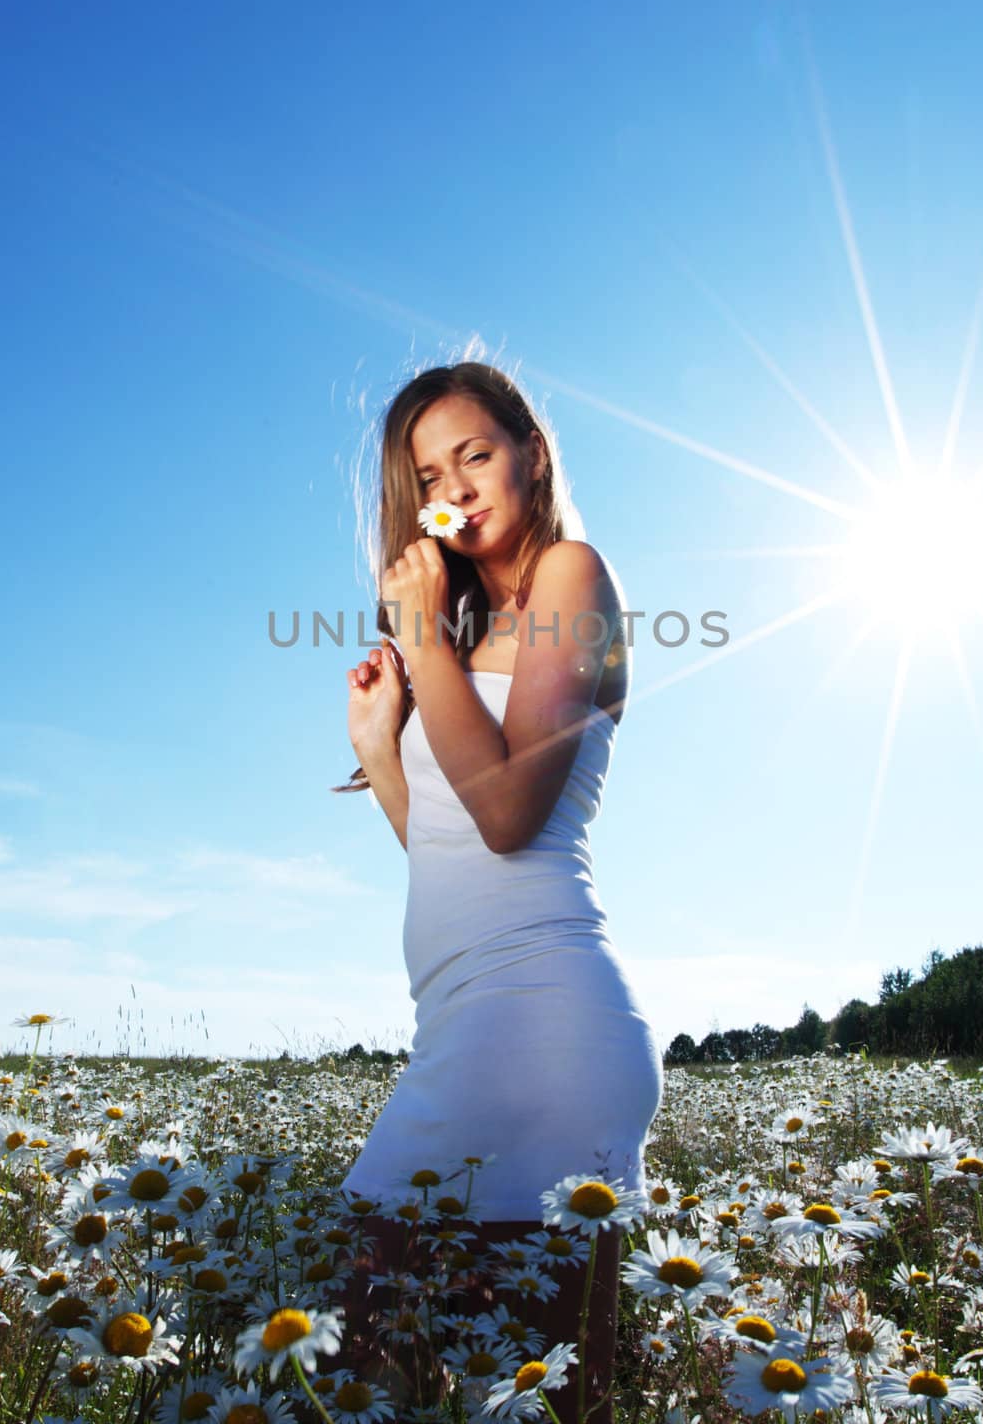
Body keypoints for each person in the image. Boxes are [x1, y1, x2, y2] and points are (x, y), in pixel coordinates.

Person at [324, 358, 664, 1423]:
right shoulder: (461, 638)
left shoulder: (573, 576)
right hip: (461, 1020)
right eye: (431, 470)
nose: (457, 485)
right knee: (402, 1380)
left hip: (547, 1025)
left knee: (531, 1393)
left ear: (530, 453)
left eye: (476, 452)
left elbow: (512, 815)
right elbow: (448, 848)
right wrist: (382, 747)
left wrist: (421, 637)